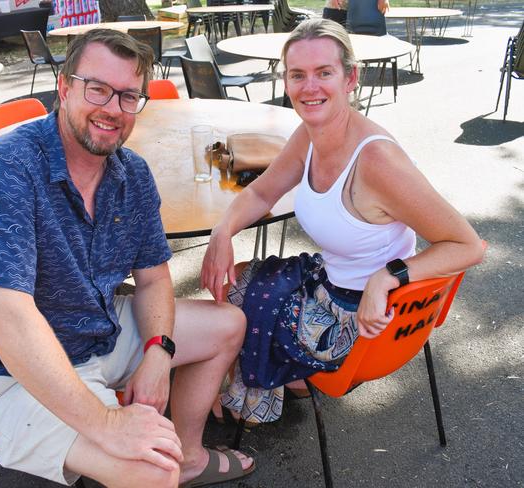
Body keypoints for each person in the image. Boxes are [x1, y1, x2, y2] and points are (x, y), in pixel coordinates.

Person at [0, 29, 255, 488]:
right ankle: (168, 463)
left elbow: (152, 281)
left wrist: (157, 354)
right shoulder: (8, 168)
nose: (112, 108)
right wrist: (108, 424)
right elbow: (5, 320)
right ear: (64, 87)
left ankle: (190, 456)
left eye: (128, 95)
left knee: (228, 323)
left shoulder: (131, 173)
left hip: (97, 331)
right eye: (97, 89)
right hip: (9, 372)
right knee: (153, 470)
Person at [201, 18, 484, 426]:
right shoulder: (309, 135)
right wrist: (222, 232)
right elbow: (261, 192)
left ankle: (242, 392)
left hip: (360, 319)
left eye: (324, 73)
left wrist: (388, 276)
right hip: (332, 282)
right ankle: (255, 382)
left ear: (350, 78)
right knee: (239, 279)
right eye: (298, 75)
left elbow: (467, 245)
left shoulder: (376, 162)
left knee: (236, 314)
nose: (309, 87)